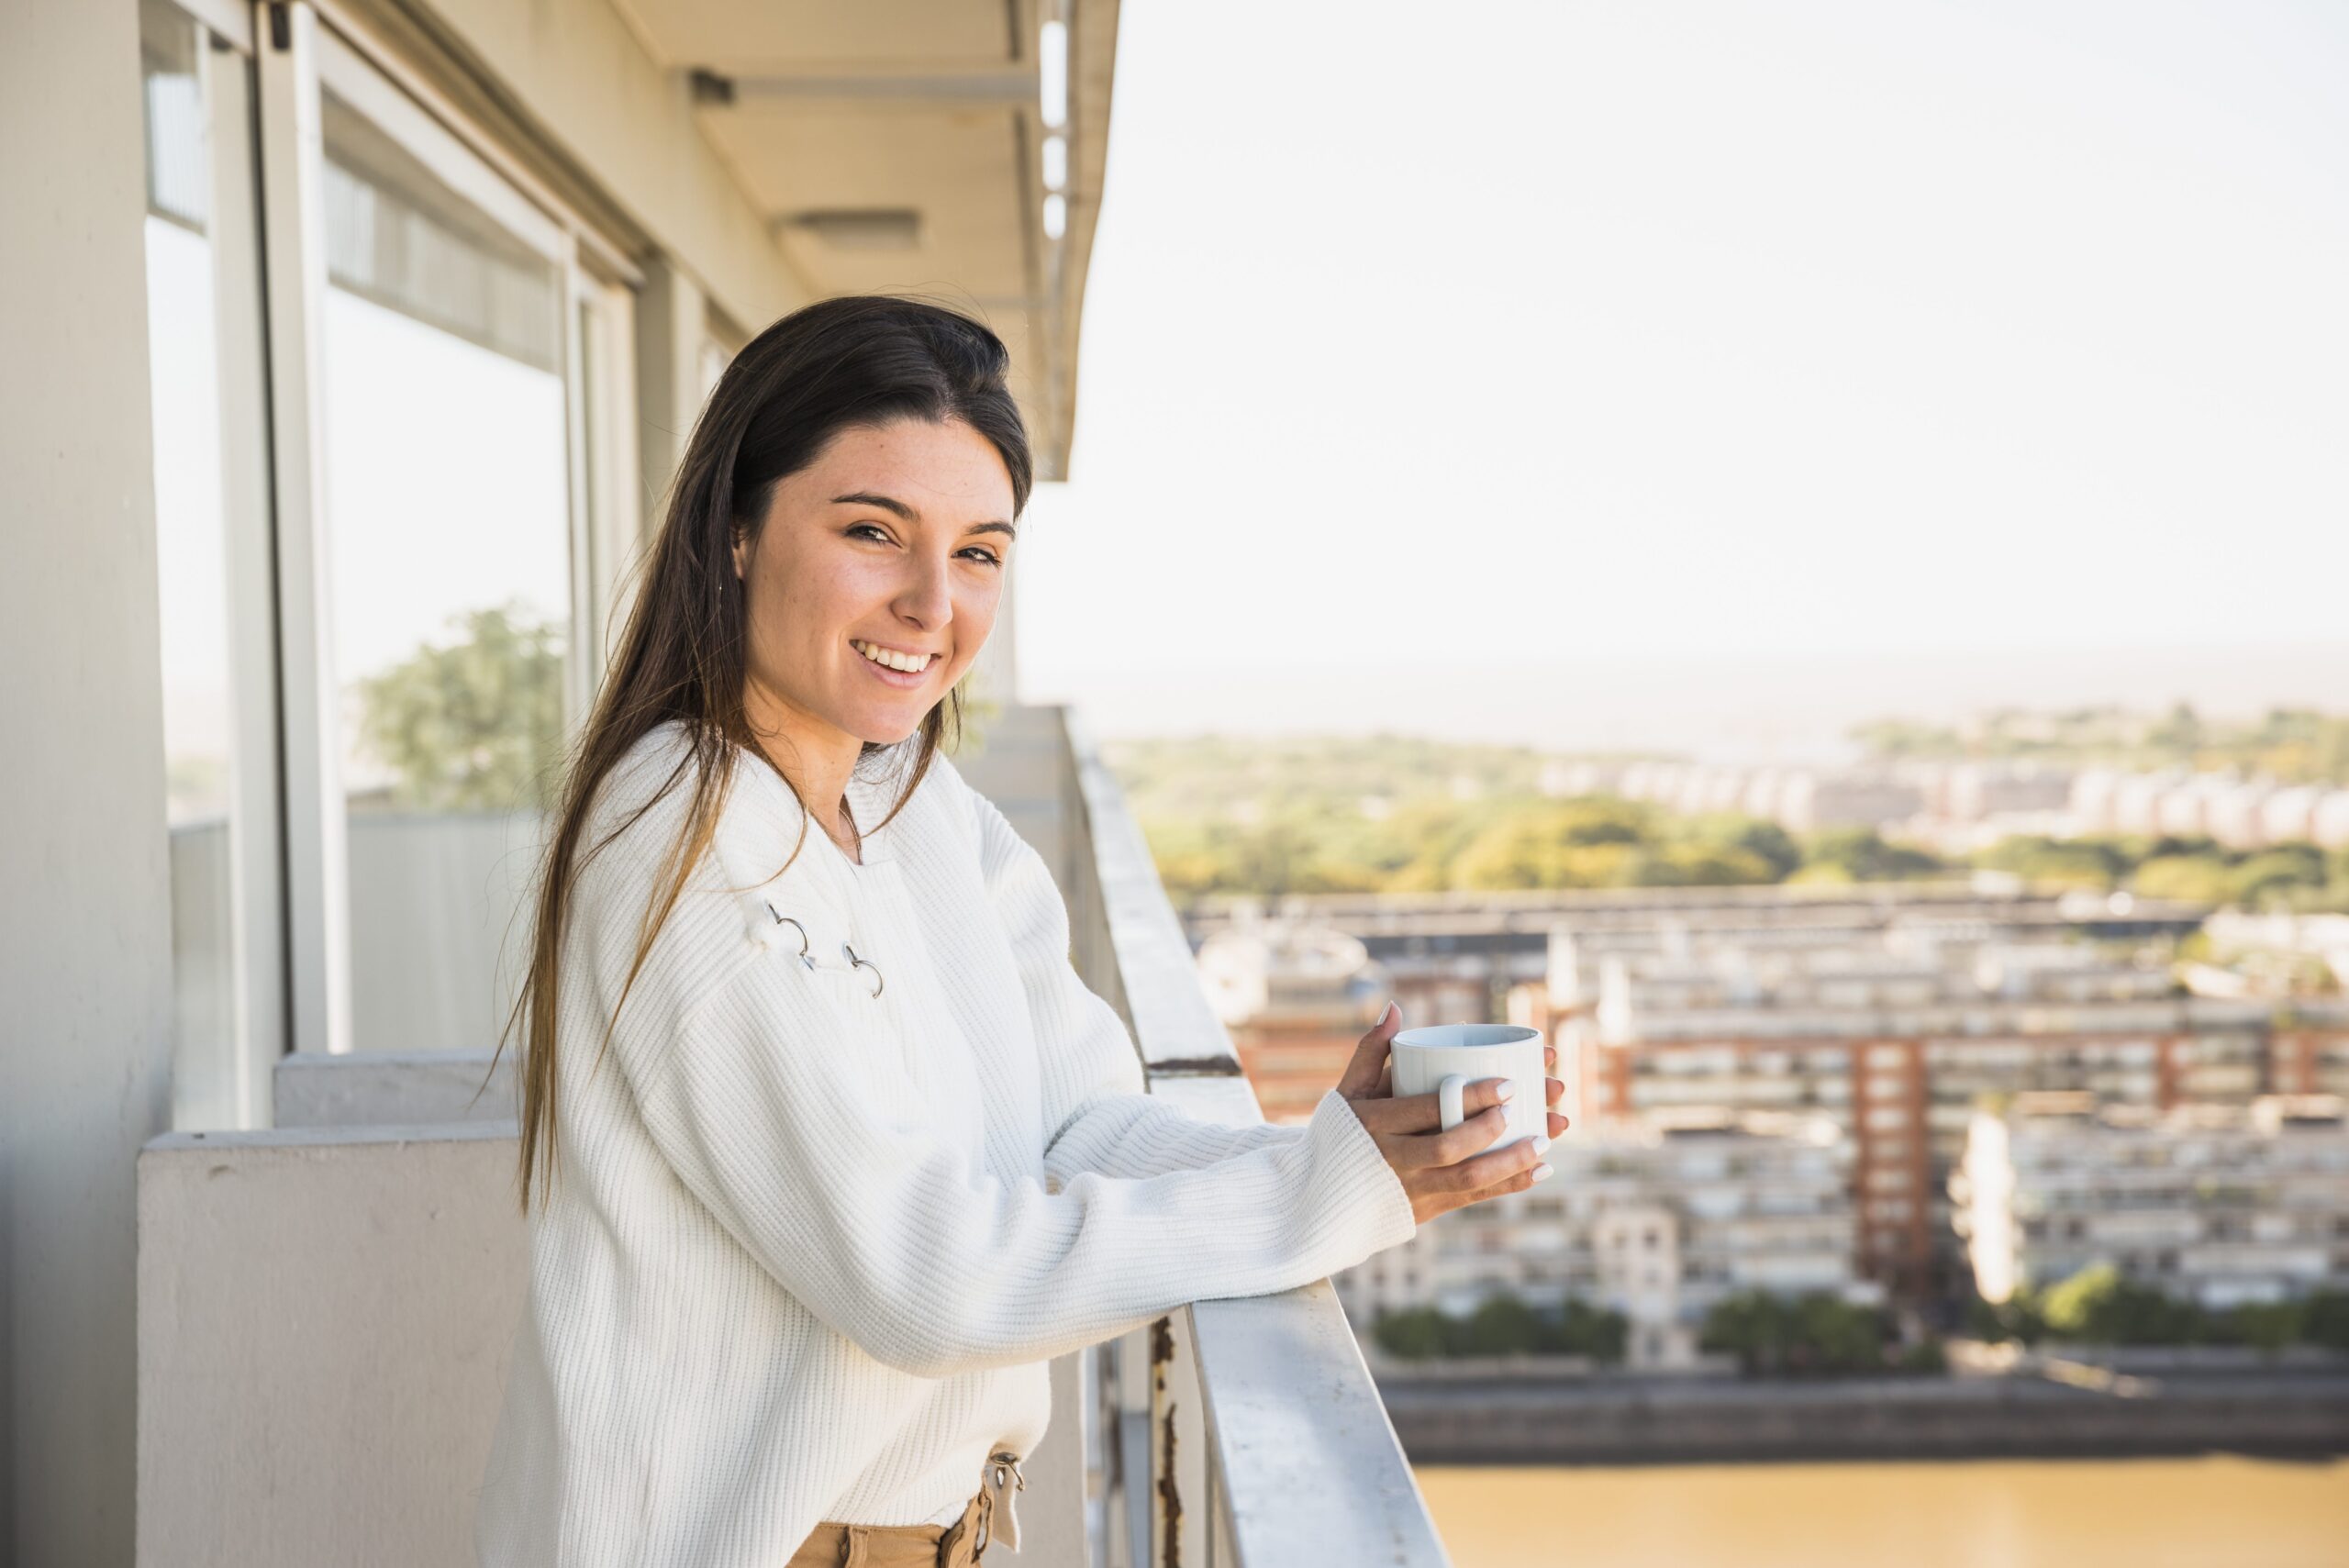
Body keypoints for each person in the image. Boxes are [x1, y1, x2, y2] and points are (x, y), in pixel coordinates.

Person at [471, 295, 1566, 1568]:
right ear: (737, 531)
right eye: (873, 532)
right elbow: (923, 1279)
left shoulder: (916, 803)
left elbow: (1077, 1126)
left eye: (980, 552)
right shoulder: (679, 832)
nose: (933, 603)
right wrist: (1315, 1199)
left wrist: (1343, 1154)